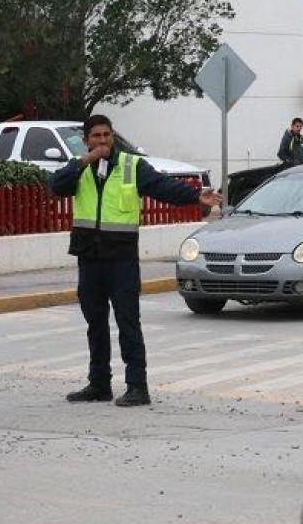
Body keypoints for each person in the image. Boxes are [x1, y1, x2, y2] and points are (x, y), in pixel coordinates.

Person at [49, 115, 223, 407]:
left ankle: (137, 386)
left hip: (121, 258)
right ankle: (99, 383)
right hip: (89, 258)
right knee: (95, 323)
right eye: (96, 136)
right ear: (86, 139)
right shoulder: (79, 169)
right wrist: (87, 160)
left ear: (113, 136)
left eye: (107, 135)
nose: (103, 140)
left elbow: (163, 187)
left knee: (128, 320)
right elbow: (55, 185)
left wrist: (196, 195)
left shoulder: (132, 165)